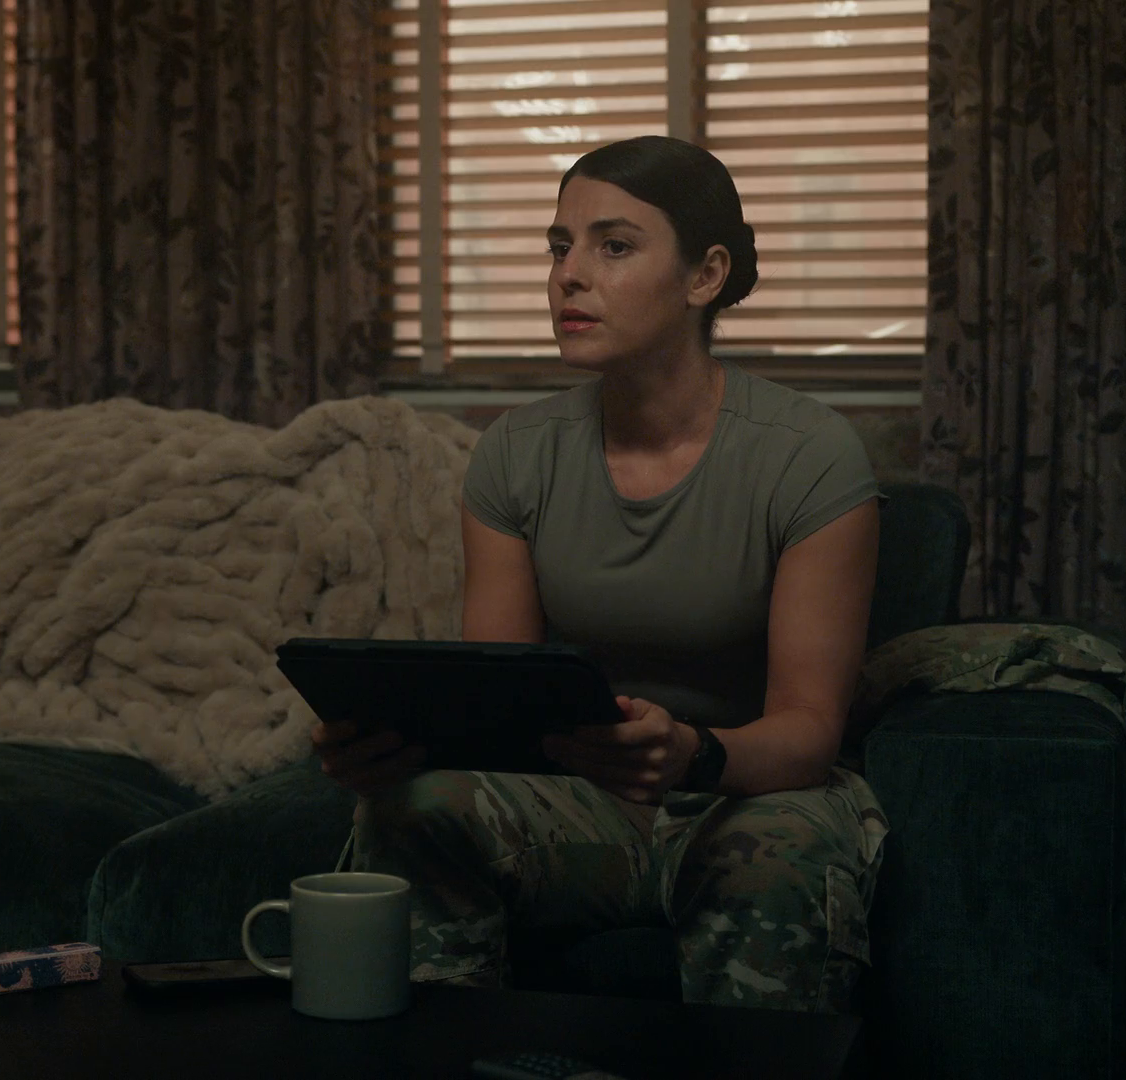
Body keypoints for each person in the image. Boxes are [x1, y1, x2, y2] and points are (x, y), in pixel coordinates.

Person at [310, 135, 888, 1014]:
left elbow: (809, 731)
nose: (568, 276)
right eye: (559, 247)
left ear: (705, 276)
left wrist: (692, 753)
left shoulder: (809, 455)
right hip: (577, 803)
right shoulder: (515, 453)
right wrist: (391, 752)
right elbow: (499, 708)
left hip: (749, 791)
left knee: (774, 856)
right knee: (411, 809)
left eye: (613, 246)